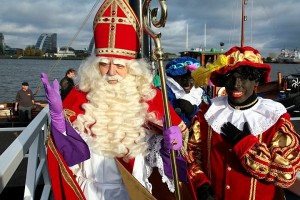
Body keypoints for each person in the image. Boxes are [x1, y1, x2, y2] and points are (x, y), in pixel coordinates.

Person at [41, 0, 191, 199]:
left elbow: (164, 159)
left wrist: (168, 145)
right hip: (90, 193)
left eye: (120, 66)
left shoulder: (150, 96)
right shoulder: (80, 95)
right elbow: (69, 155)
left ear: (133, 68)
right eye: (104, 64)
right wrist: (59, 121)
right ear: (94, 66)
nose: (111, 72)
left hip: (135, 192)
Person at [187, 46, 300, 200]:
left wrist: (246, 145)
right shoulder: (207, 112)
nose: (236, 84)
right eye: (230, 77)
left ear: (255, 81)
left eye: (244, 78)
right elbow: (193, 154)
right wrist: (201, 183)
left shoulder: (275, 118)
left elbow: (286, 174)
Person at [165, 56, 205, 126]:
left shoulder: (198, 92)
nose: (187, 83)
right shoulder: (164, 94)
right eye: (182, 79)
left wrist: (193, 110)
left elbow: (207, 115)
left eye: (191, 78)